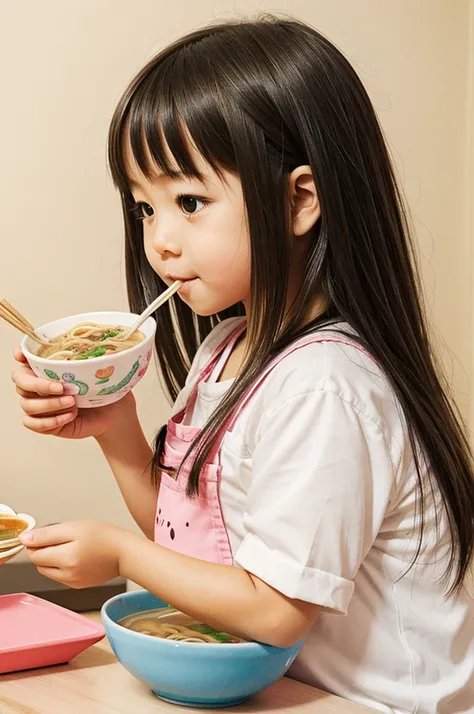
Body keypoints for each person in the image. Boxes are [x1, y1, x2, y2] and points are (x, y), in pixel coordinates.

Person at [12, 16, 474, 713]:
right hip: (282, 693)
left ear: (299, 200)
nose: (159, 241)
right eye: (144, 208)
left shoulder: (325, 387)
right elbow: (199, 546)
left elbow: (275, 611)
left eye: (188, 202)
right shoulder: (227, 348)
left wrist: (120, 556)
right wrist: (116, 432)